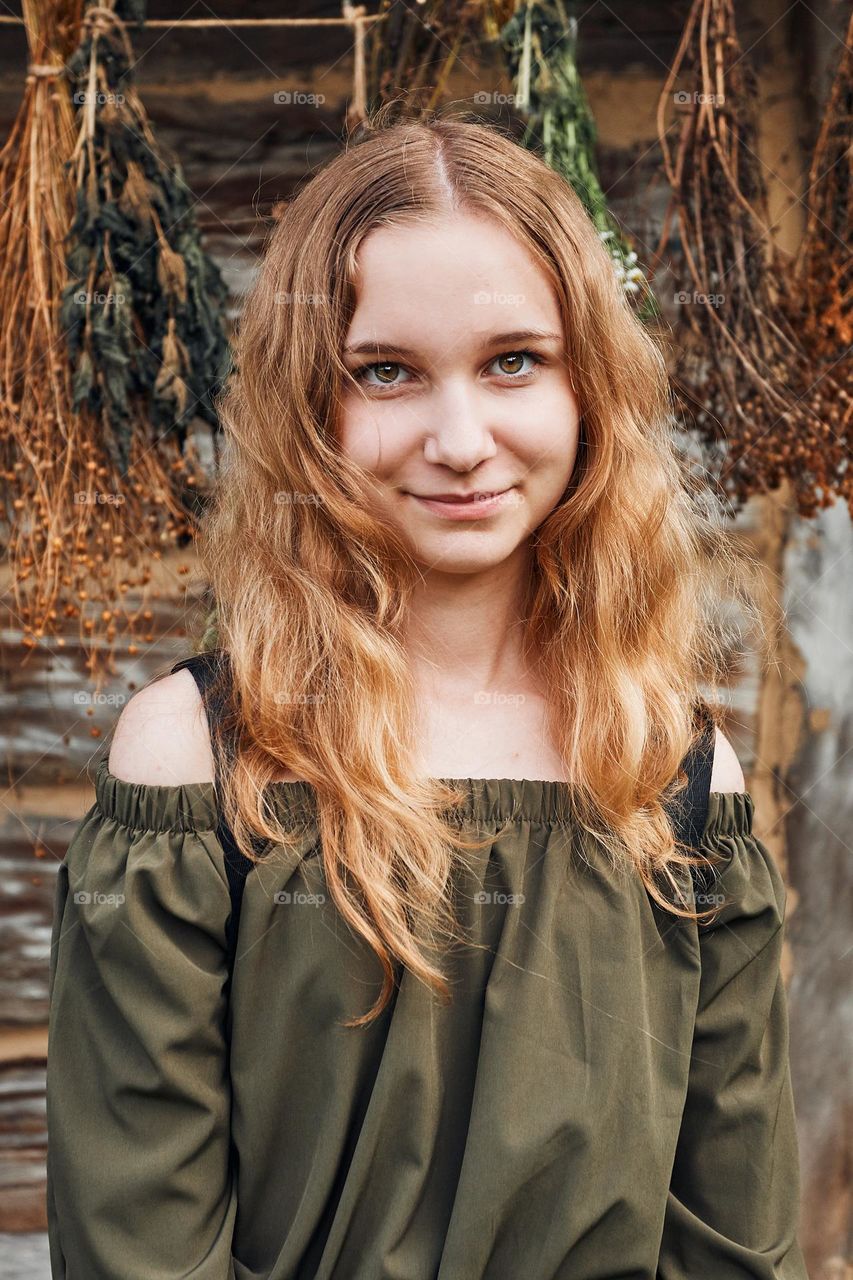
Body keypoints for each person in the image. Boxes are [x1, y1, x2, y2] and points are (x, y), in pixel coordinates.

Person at [46, 110, 808, 1279]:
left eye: (513, 360)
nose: (461, 438)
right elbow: (138, 1241)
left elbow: (733, 1233)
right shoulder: (202, 763)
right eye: (386, 371)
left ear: (587, 386)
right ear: (311, 403)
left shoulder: (677, 773)